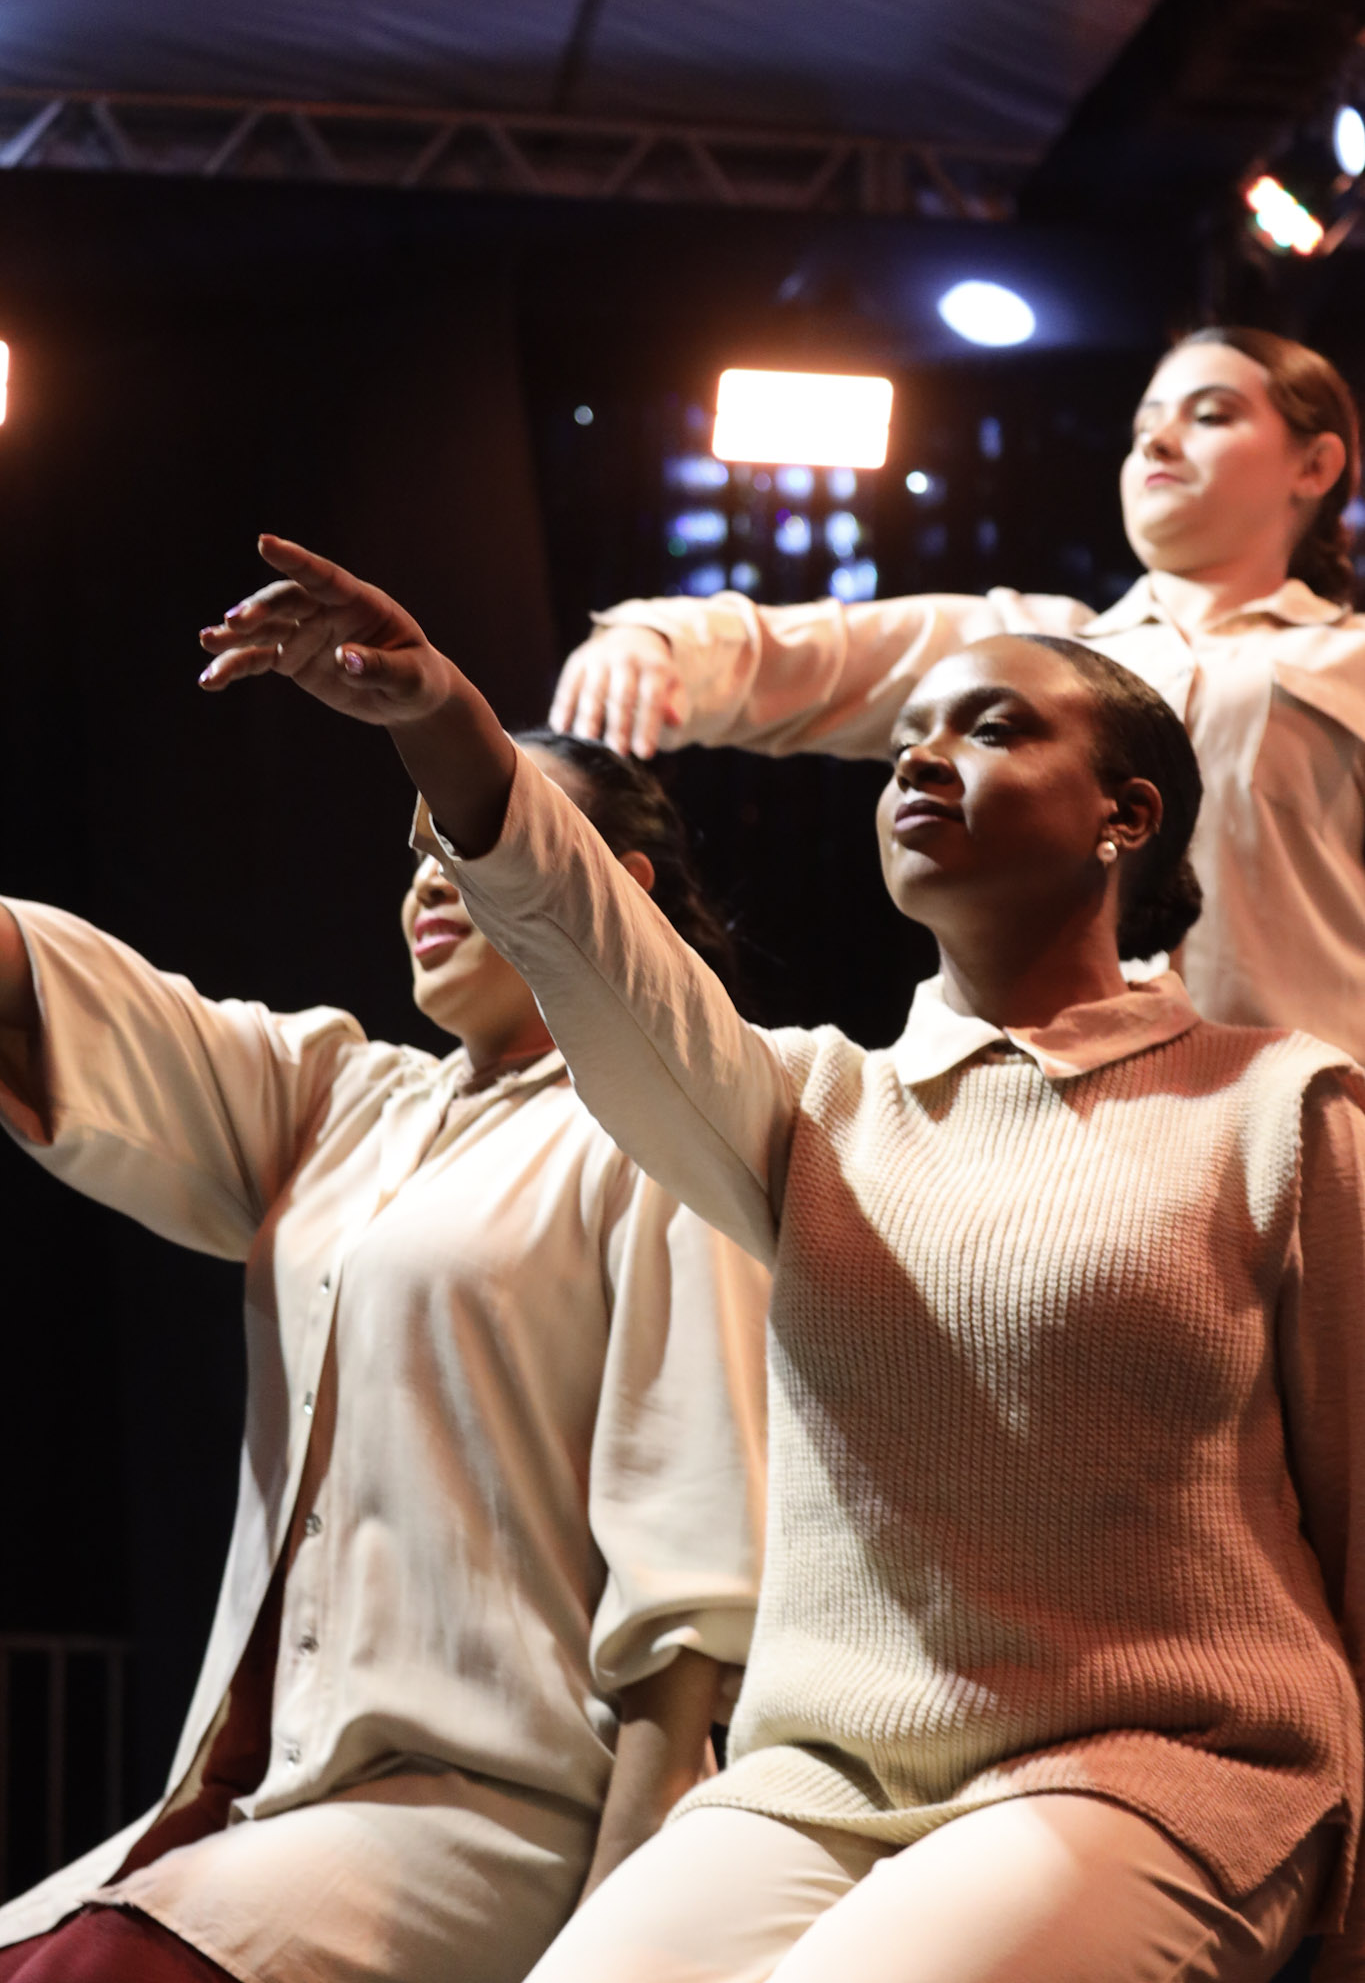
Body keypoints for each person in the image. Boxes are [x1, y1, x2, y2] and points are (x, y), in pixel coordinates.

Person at [196, 535, 1365, 1983]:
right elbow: (600, 954)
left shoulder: (1279, 1104)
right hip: (822, 1778)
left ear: (1125, 815)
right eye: (909, 735)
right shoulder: (812, 1106)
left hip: (1162, 1764)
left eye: (993, 729)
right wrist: (444, 720)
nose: (922, 758)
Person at [0, 727, 768, 1983]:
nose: (427, 875)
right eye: (417, 846)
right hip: (274, 1806)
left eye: (470, 839)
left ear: (615, 884)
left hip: (501, 1810)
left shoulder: (668, 1129)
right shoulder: (345, 1101)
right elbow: (70, 1005)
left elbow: (691, 1546)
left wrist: (626, 1917)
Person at [551, 326, 1365, 1059]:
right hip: (1052, 1106)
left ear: (1314, 465)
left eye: (1210, 415)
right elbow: (812, 653)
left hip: (1315, 1108)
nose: (1156, 438)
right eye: (1142, 424)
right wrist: (651, 638)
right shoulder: (1036, 646)